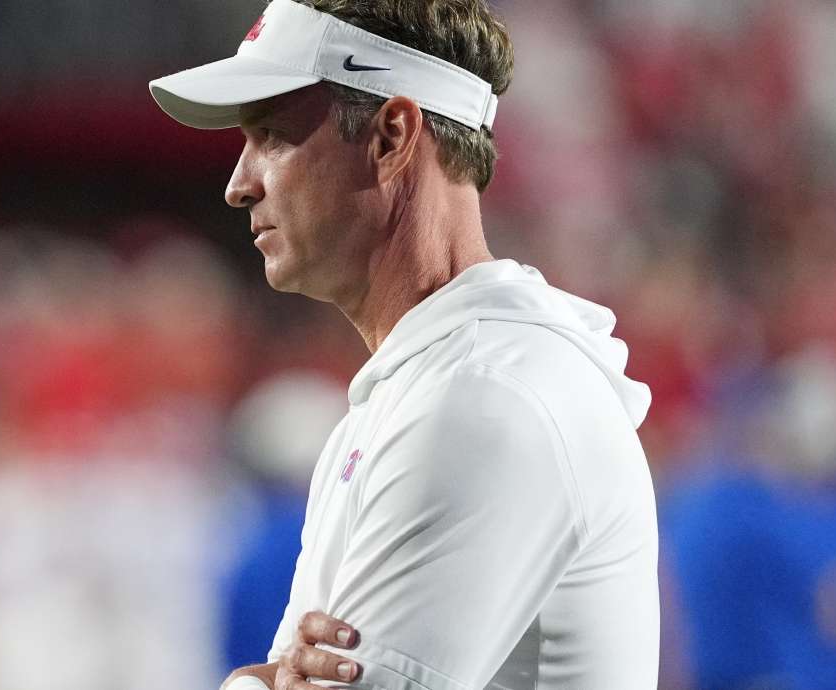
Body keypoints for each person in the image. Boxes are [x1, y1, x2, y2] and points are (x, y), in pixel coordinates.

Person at [149, 1, 659, 688]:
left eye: (271, 136)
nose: (239, 186)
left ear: (392, 137)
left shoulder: (483, 397)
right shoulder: (427, 389)